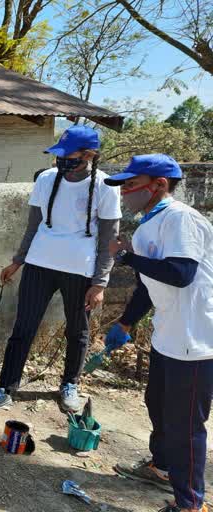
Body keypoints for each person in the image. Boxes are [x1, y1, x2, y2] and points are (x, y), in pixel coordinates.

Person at [0, 125, 122, 415]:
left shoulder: (104, 187)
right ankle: (5, 388)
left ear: (88, 155)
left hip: (80, 271)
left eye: (69, 155)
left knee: (78, 331)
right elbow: (34, 225)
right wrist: (18, 261)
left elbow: (109, 238)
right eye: (60, 155)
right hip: (39, 265)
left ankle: (70, 384)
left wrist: (100, 283)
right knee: (23, 328)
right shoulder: (46, 179)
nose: (62, 161)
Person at [104, 154, 213, 512]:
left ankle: (190, 504)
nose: (124, 193)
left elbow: (181, 273)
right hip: (168, 334)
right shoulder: (149, 224)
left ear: (159, 185)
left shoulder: (181, 219)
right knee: (158, 405)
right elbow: (147, 287)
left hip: (197, 338)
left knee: (185, 426)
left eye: (131, 185)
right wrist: (125, 322)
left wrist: (127, 258)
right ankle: (162, 468)